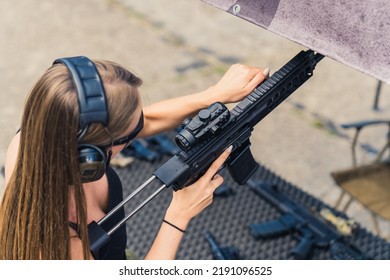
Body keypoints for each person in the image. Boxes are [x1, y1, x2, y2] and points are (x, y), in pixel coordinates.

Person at [0, 56, 268, 260]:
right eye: (130, 131)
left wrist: (212, 95)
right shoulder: (59, 248)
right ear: (90, 155)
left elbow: (147, 119)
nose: (141, 126)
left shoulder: (40, 137)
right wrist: (179, 215)